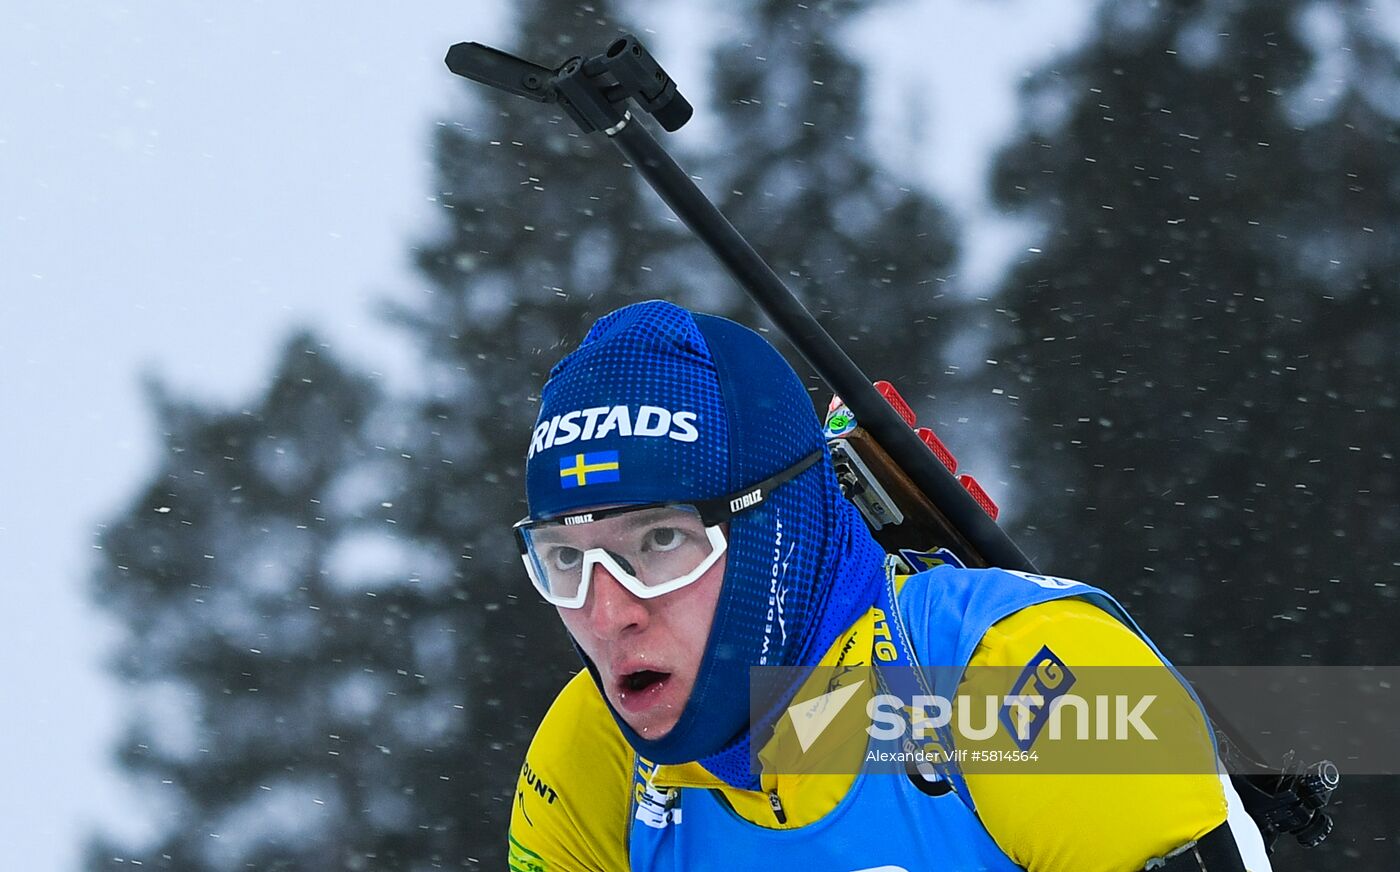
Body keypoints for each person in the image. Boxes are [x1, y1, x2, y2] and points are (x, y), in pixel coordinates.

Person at [506, 300, 1270, 871]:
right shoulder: (595, 756)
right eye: (567, 560)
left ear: (775, 531)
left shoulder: (1024, 678)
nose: (607, 615)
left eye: (661, 541)